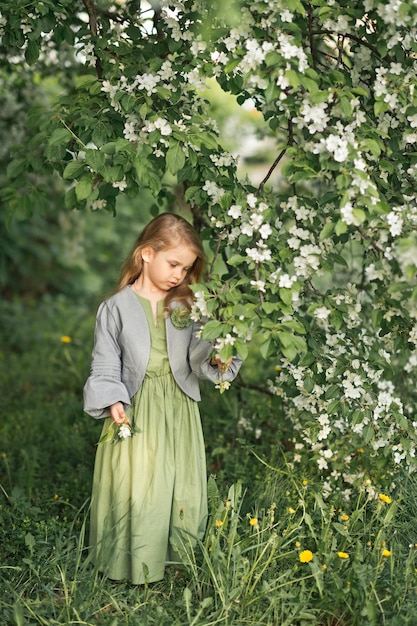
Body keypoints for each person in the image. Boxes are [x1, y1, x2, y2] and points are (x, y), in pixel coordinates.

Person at [83, 212, 242, 585]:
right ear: (146, 254)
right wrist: (113, 401)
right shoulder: (115, 308)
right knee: (136, 483)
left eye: (186, 269)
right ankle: (130, 560)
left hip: (179, 404)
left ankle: (177, 557)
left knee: (177, 477)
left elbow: (201, 356)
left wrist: (220, 357)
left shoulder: (186, 305)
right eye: (174, 264)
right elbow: (105, 364)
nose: (180, 276)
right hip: (135, 406)